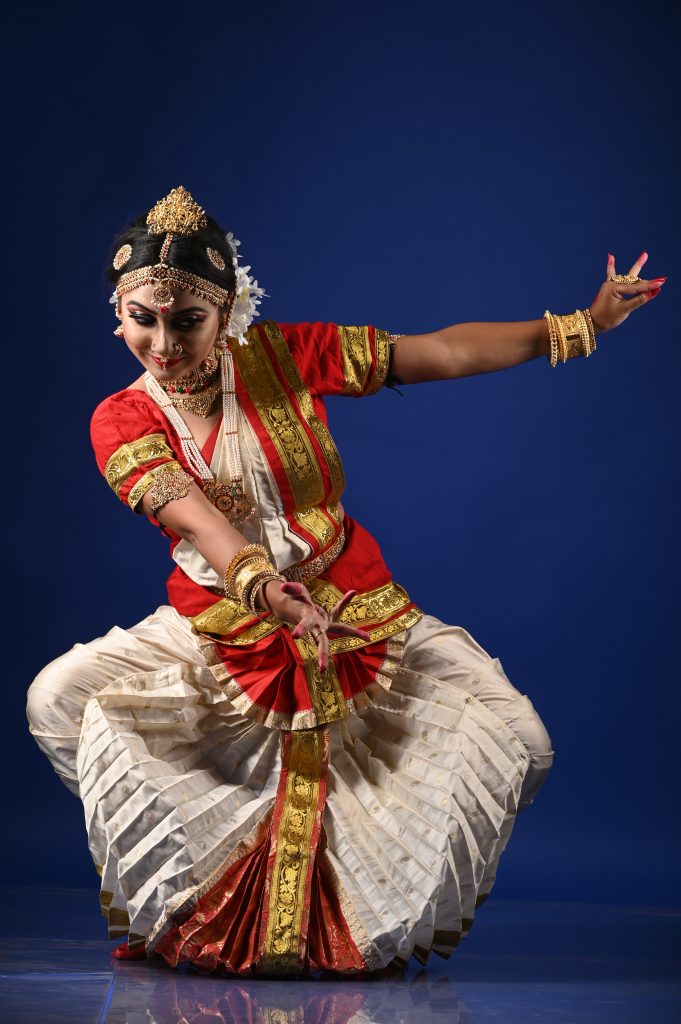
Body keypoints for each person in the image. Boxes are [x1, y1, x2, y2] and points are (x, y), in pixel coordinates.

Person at [26, 186, 665, 977]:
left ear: (226, 314)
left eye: (185, 320)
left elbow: (442, 351)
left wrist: (584, 325)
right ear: (118, 315)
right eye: (142, 320)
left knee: (523, 744)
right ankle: (194, 899)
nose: (162, 343)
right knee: (57, 701)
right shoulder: (120, 417)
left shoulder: (287, 356)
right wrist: (264, 589)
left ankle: (362, 914)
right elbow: (194, 519)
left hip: (358, 611)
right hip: (221, 626)